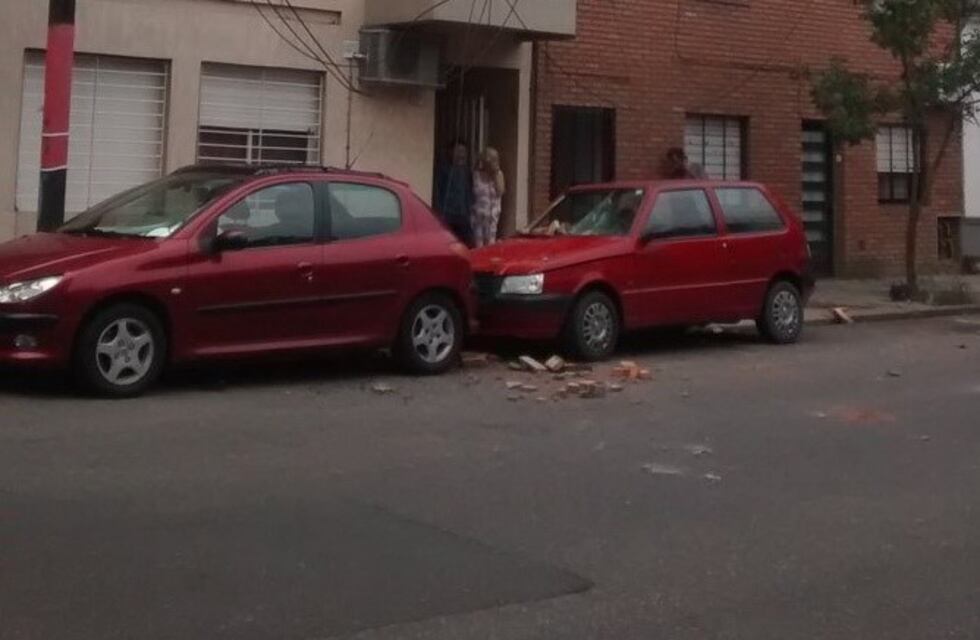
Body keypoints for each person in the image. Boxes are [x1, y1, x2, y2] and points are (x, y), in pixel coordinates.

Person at [434, 141, 474, 246]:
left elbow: (470, 191)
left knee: (468, 244)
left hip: (463, 215)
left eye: (464, 152)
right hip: (448, 214)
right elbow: (438, 190)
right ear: (451, 153)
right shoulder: (445, 170)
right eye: (458, 151)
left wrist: (469, 208)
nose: (461, 155)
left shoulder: (467, 171)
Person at [472, 147, 505, 248]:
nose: (491, 161)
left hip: (492, 216)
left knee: (491, 244)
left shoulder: (499, 174)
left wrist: (494, 174)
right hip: (478, 216)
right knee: (478, 246)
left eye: (495, 159)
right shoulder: (477, 174)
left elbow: (500, 191)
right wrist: (480, 159)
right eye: (490, 158)